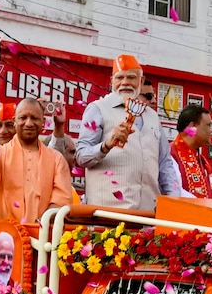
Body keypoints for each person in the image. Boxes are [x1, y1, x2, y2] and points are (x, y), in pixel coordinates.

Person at [75, 54, 182, 210]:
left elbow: (164, 163)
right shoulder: (98, 109)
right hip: (109, 215)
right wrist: (107, 144)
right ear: (112, 81)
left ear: (141, 81)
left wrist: (173, 201)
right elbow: (81, 157)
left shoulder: (152, 116)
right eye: (119, 78)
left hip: (147, 215)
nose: (125, 83)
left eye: (131, 77)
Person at [0, 97, 72, 222]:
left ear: (43, 122)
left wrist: (42, 223)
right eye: (23, 118)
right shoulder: (0, 153)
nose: (28, 123)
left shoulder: (57, 160)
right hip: (4, 236)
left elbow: (61, 201)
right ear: (15, 121)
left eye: (34, 118)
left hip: (42, 236)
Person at [170, 105, 212, 199]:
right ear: (192, 127)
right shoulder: (170, 154)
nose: (211, 130)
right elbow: (172, 192)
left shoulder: (202, 160)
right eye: (208, 125)